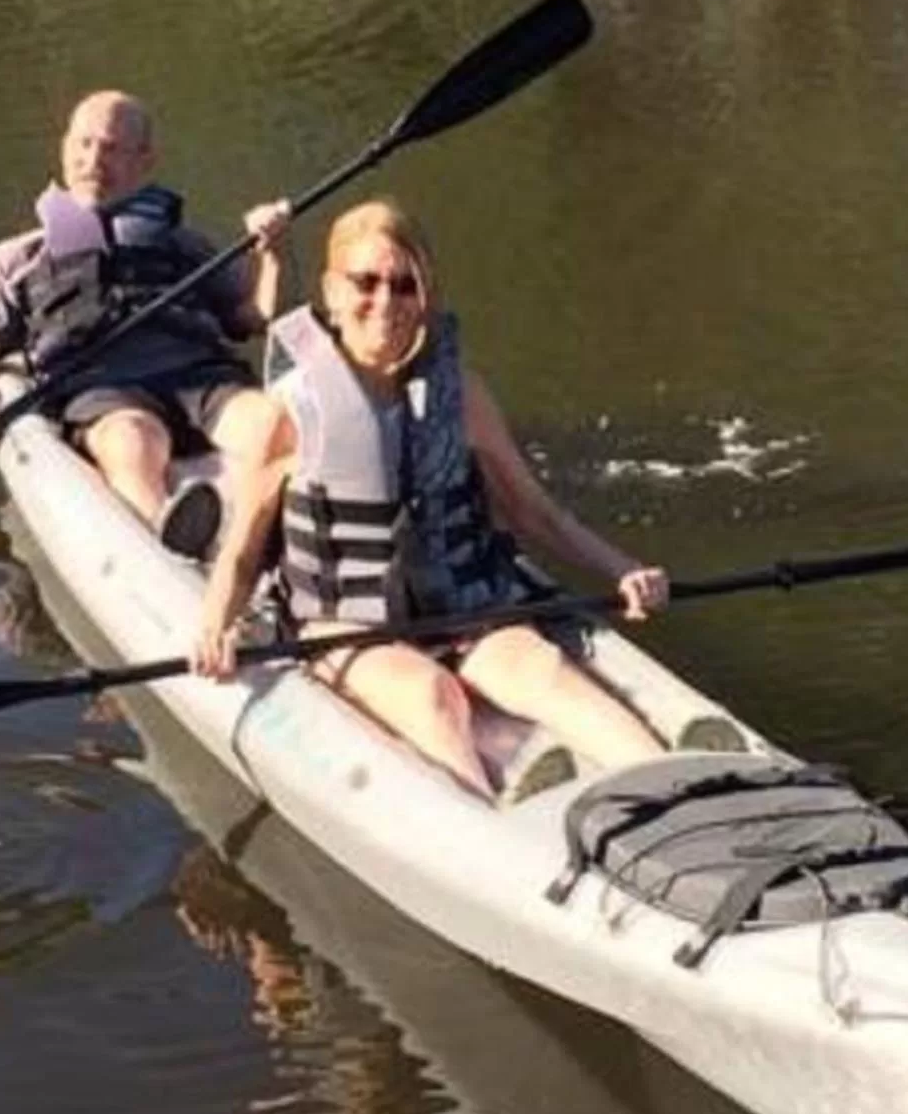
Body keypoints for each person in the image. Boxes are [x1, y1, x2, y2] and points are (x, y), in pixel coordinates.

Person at [194, 198, 669, 797]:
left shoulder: (459, 395)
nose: (385, 303)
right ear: (331, 291)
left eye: (404, 285)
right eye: (365, 282)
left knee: (544, 670)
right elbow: (241, 550)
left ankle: (682, 792)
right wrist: (216, 626)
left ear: (425, 297)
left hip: (461, 604)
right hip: (345, 623)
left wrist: (621, 569)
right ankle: (494, 847)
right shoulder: (290, 411)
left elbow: (534, 512)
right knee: (431, 695)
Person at [0, 89, 295, 552]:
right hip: (103, 392)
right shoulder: (15, 259)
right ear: (64, 149)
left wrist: (274, 252)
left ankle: (294, 538)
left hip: (200, 380)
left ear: (145, 160)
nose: (92, 160)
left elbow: (256, 319)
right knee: (133, 441)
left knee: (273, 422)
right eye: (82, 144)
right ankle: (172, 541)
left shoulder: (183, 245)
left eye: (110, 148)